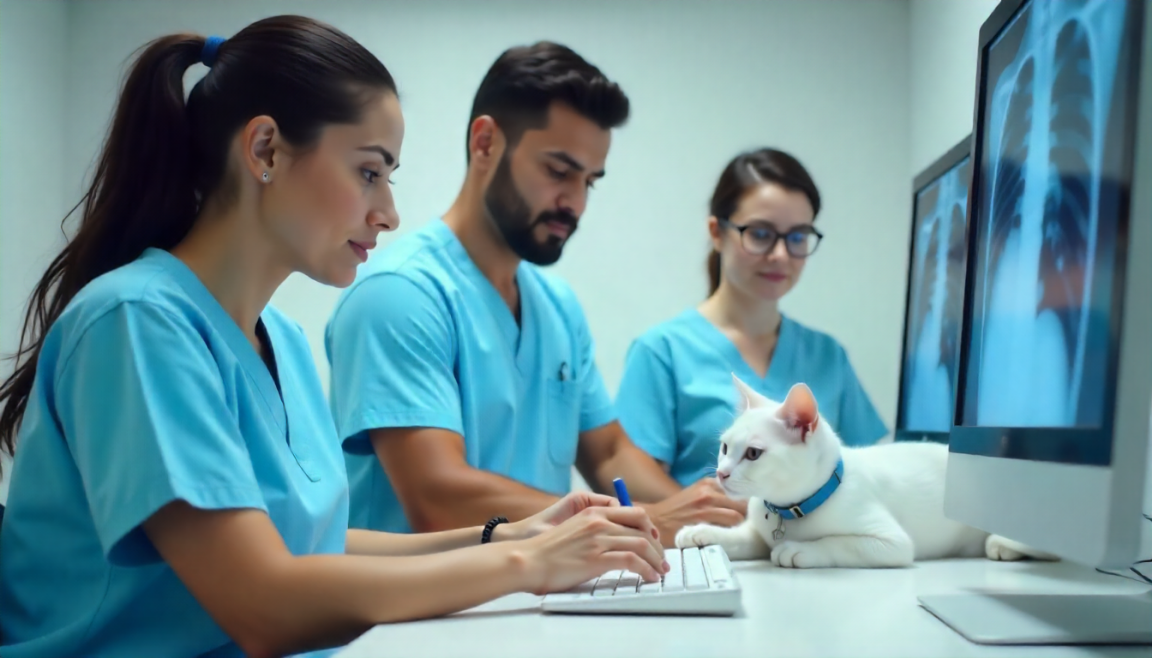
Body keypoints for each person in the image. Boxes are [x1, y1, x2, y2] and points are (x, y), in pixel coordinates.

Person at [0, 18, 667, 658]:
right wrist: (528, 564)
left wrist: (508, 535)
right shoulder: (136, 323)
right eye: (369, 172)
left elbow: (315, 548)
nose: (389, 212)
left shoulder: (282, 341)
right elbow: (263, 603)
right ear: (264, 150)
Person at [325, 41, 745, 543]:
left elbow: (608, 452)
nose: (576, 203)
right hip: (422, 617)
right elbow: (437, 496)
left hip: (539, 599)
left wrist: (702, 515)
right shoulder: (399, 295)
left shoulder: (558, 307)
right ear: (485, 143)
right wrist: (643, 519)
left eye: (590, 181)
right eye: (559, 171)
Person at [615, 148, 888, 486]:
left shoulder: (828, 356)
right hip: (709, 538)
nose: (780, 255)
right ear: (717, 232)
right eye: (760, 234)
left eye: (798, 237)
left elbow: (868, 469)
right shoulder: (662, 352)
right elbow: (636, 485)